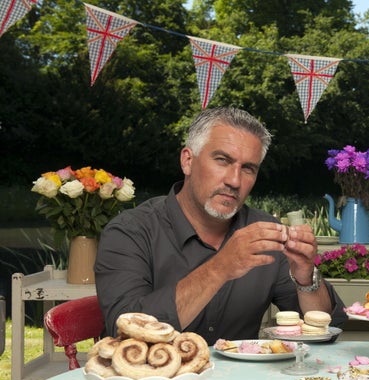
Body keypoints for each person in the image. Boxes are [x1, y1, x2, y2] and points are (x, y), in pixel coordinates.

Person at [95, 107, 346, 343]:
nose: (234, 181)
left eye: (248, 168)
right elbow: (124, 331)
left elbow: (325, 330)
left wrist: (305, 279)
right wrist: (220, 268)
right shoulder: (130, 232)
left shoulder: (266, 233)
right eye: (222, 160)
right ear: (187, 161)